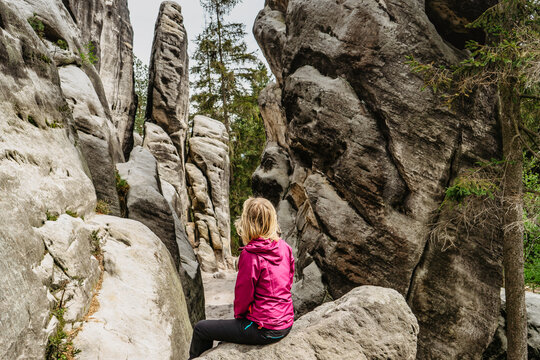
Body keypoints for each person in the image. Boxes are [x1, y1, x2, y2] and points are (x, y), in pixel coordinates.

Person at [188, 197, 295, 359]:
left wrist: (240, 318)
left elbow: (244, 295)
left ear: (247, 223)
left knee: (201, 329)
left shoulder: (251, 254)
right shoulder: (284, 247)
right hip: (286, 322)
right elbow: (289, 279)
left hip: (264, 329)